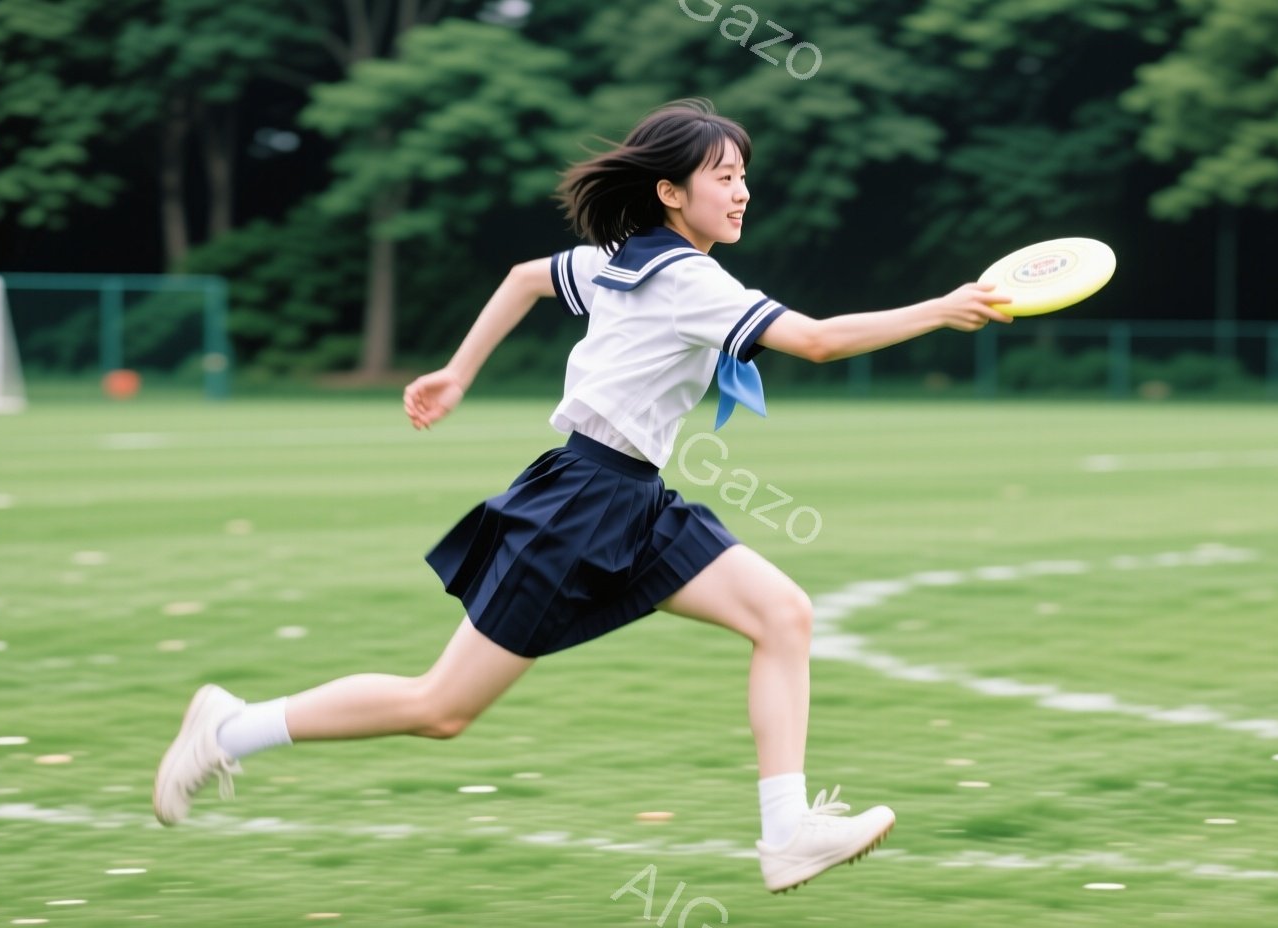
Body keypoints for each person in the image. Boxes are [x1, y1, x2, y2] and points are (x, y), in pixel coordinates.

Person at [154, 98, 1012, 894]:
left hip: (632, 497)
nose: (743, 191)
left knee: (782, 614)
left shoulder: (626, 257)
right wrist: (941, 307)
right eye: (725, 177)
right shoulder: (685, 279)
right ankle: (230, 730)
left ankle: (787, 833)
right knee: (441, 708)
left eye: (744, 175)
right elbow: (817, 342)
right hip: (579, 504)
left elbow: (527, 276)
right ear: (671, 193)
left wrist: (459, 372)